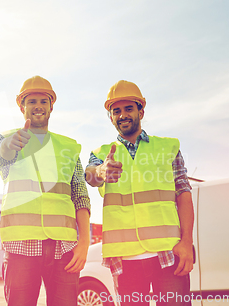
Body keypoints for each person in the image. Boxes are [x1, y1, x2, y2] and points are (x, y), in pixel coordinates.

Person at [85, 80, 194, 305]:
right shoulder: (102, 153)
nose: (122, 115)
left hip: (168, 254)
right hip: (126, 260)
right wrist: (102, 171)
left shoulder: (168, 147)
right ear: (110, 117)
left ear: (141, 110)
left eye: (128, 109)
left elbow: (183, 193)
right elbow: (90, 176)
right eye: (116, 111)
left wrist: (186, 242)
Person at [0, 75, 91, 306]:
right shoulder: (6, 140)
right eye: (32, 101)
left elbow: (80, 195)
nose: (38, 106)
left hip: (64, 249)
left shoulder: (68, 147)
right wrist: (9, 146)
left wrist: (84, 244)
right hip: (20, 248)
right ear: (21, 106)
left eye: (43, 101)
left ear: (51, 106)